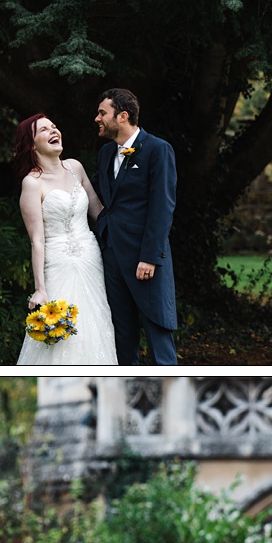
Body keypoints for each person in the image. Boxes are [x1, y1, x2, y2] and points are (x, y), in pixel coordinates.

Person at [14, 114, 119, 366]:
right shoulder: (31, 183)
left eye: (55, 126)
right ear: (31, 144)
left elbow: (98, 211)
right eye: (44, 130)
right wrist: (40, 288)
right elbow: (37, 240)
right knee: (64, 330)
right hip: (58, 262)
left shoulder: (75, 167)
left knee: (96, 321)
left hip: (91, 259)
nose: (54, 131)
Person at [93, 88, 179, 365]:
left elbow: (162, 207)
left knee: (158, 333)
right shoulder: (106, 153)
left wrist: (149, 257)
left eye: (102, 113)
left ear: (123, 116)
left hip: (144, 258)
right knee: (122, 337)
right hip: (111, 256)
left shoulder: (157, 149)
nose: (97, 118)